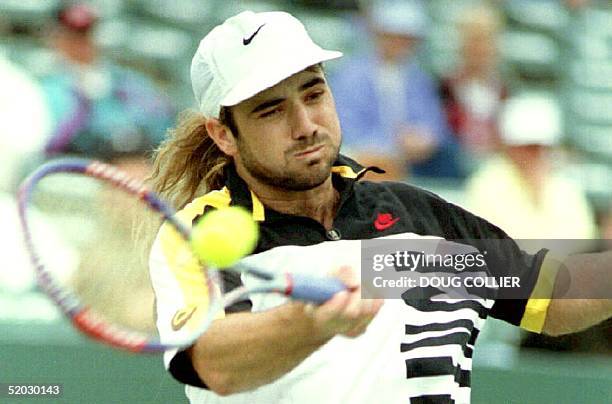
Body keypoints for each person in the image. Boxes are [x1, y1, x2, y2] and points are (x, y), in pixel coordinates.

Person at [146, 10, 612, 404]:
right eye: (271, 110)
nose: (306, 125)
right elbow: (212, 363)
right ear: (222, 133)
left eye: (314, 94)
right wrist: (310, 323)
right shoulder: (197, 233)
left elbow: (551, 297)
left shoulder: (421, 217)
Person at [330, 0, 466, 180]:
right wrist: (392, 145)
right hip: (367, 161)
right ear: (378, 35)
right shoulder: (351, 76)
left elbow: (435, 124)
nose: (400, 43)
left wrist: (424, 139)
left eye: (407, 38)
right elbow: (347, 127)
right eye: (394, 36)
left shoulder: (418, 78)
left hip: (417, 163)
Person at [40, 3, 174, 161]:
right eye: (71, 37)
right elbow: (51, 141)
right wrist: (82, 104)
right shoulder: (44, 87)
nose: (79, 43)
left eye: (85, 35)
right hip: (74, 167)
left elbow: (161, 122)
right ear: (56, 38)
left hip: (131, 163)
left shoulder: (124, 81)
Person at [439, 4, 508, 156]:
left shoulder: (506, 92)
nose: (479, 48)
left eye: (486, 40)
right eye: (473, 40)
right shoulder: (443, 88)